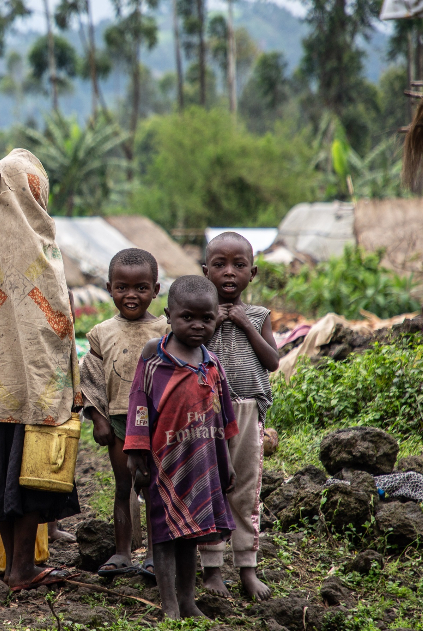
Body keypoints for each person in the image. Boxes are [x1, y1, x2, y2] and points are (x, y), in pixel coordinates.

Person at [0, 148, 80, 592]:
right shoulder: (39, 244)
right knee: (32, 472)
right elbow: (57, 322)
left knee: (4, 468)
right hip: (36, 386)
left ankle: (16, 567)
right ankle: (22, 569)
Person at [125, 275, 238, 619]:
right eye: (187, 317)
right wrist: (136, 454)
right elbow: (138, 406)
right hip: (163, 465)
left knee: (192, 535)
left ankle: (188, 601)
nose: (198, 325)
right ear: (169, 315)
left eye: (207, 318)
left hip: (202, 464)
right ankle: (169, 605)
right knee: (162, 535)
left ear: (216, 317)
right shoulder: (153, 358)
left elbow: (224, 417)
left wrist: (227, 463)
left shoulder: (212, 364)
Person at [198, 232, 280, 601]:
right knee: (210, 487)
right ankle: (212, 568)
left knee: (246, 490)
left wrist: (245, 323)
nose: (229, 273)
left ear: (253, 273)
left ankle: (247, 567)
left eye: (239, 265)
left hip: (248, 409)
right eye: (219, 265)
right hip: (206, 413)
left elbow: (273, 362)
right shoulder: (198, 316)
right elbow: (186, 353)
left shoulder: (259, 316)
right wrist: (211, 322)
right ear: (205, 271)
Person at [79, 248, 169, 577]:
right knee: (123, 485)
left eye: (141, 288)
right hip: (118, 420)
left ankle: (156, 555)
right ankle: (121, 552)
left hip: (157, 423)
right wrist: (97, 418)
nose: (131, 295)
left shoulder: (165, 331)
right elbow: (89, 379)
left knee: (153, 487)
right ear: (109, 288)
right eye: (122, 288)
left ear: (156, 290)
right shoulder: (102, 333)